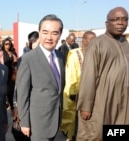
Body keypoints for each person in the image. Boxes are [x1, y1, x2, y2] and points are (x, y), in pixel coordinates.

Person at [76, 7, 129, 141]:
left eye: (125, 19)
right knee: (96, 135)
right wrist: (86, 105)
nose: (121, 23)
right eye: (116, 19)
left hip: (122, 101)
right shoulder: (96, 45)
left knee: (117, 133)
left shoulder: (125, 43)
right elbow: (88, 77)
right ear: (107, 23)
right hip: (102, 100)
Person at [16, 14, 65, 141]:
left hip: (56, 119)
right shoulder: (28, 59)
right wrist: (25, 122)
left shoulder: (60, 56)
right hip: (37, 122)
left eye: (54, 33)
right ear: (39, 33)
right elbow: (22, 95)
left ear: (60, 35)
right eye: (45, 32)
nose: (49, 37)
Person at [60, 31, 96, 141]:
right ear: (85, 40)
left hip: (92, 93)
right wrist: (72, 92)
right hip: (77, 93)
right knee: (74, 119)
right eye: (91, 39)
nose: (94, 42)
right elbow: (71, 75)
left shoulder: (96, 53)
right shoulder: (74, 54)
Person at [0, 37, 18, 111]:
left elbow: (16, 62)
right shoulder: (0, 53)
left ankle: (11, 105)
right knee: (4, 90)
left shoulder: (13, 52)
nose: (7, 45)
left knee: (11, 90)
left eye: (9, 44)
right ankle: (5, 104)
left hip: (12, 74)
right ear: (3, 45)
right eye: (6, 44)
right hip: (4, 75)